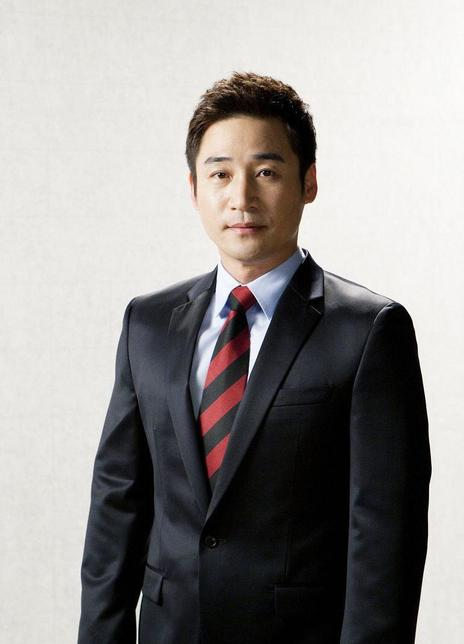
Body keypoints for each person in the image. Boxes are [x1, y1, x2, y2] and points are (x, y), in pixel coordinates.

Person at [77, 71, 432, 644]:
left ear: (308, 182)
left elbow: (385, 535)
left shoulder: (369, 331)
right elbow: (117, 505)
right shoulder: (148, 323)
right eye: (220, 174)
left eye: (266, 172)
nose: (241, 198)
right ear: (194, 188)